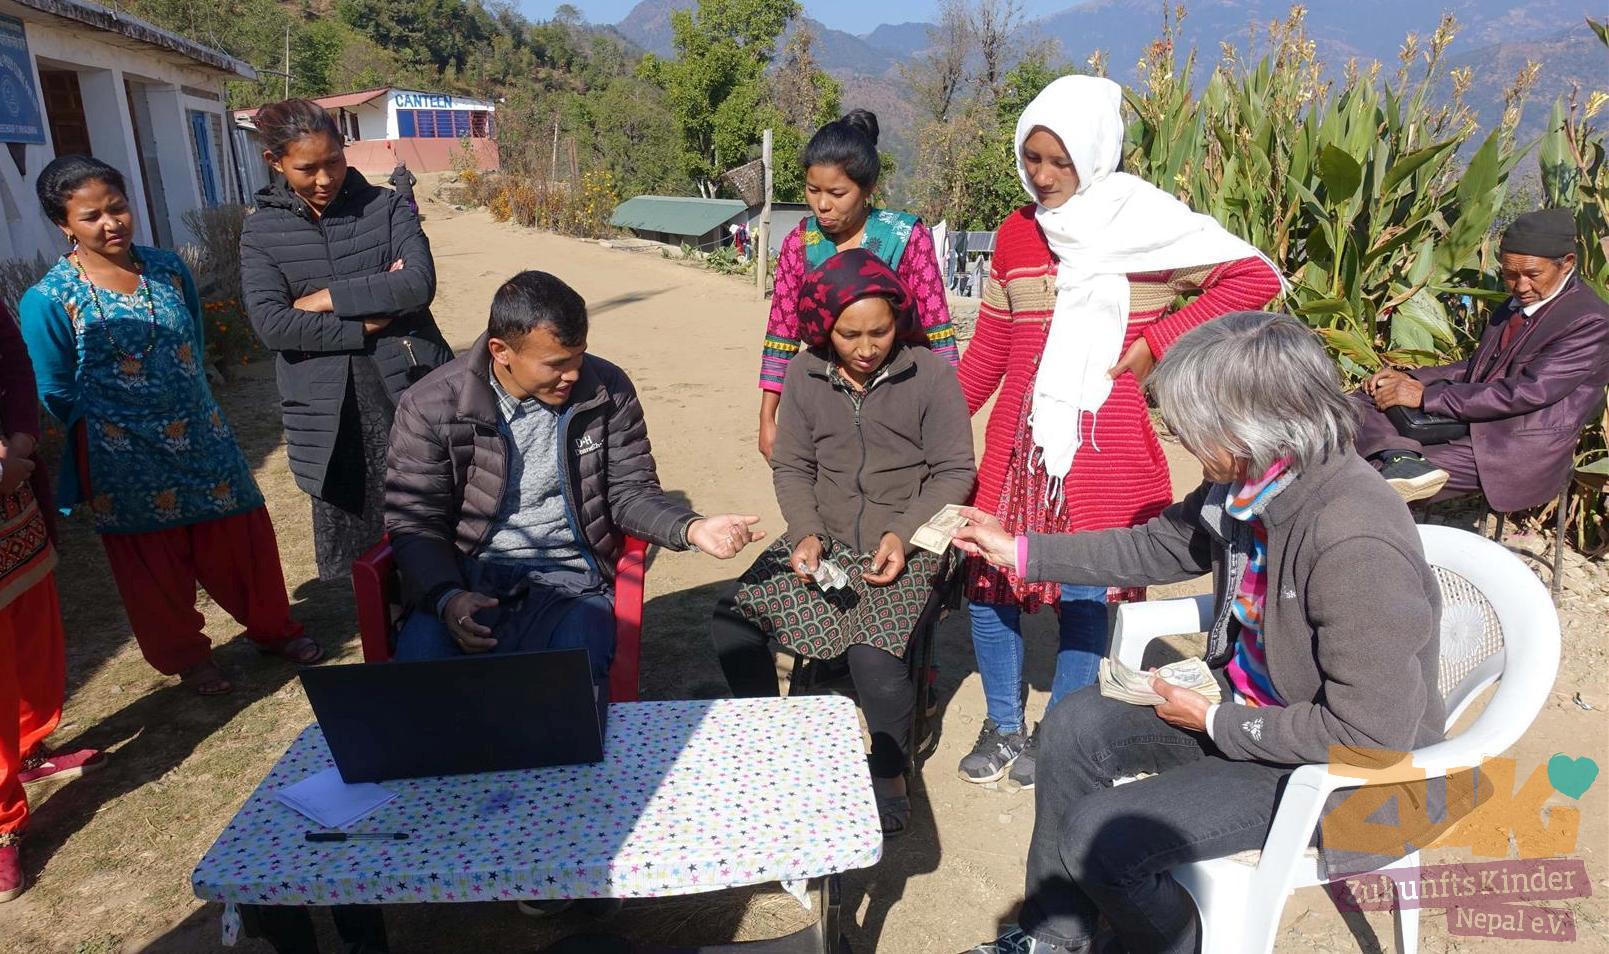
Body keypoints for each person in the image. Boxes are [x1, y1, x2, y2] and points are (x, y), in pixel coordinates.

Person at [953, 312, 1445, 954]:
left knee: (1102, 836)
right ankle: (1054, 937)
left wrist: (1215, 723)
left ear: (1248, 427)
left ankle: (1176, 939)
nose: (1179, 437)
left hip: (1330, 774)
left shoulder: (1353, 539)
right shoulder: (1250, 482)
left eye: (1192, 425)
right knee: (1074, 726)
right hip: (1250, 708)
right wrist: (1019, 552)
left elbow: (1370, 737)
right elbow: (1157, 546)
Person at [954, 75, 1284, 789]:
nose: (1041, 176)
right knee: (989, 586)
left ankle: (1060, 729)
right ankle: (1002, 724)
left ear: (1094, 155)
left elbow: (1253, 279)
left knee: (1085, 591)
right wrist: (936, 428)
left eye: (1058, 161)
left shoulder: (1146, 227)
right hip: (1017, 447)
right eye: (1031, 158)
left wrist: (1159, 341)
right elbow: (987, 350)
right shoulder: (1016, 233)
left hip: (1105, 449)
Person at [19, 156, 314, 695]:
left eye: (118, 207)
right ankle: (189, 658)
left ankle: (274, 629)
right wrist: (118, 427)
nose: (113, 224)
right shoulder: (48, 298)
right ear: (64, 225)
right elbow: (55, 388)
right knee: (151, 565)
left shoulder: (168, 269)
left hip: (203, 435)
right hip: (121, 456)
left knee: (240, 536)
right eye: (92, 217)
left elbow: (193, 345)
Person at [385, 269, 764, 681]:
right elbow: (415, 520)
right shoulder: (430, 406)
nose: (573, 374)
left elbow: (630, 491)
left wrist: (690, 528)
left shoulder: (607, 388)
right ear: (501, 350)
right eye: (556, 363)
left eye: (579, 355)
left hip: (571, 581)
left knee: (567, 690)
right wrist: (448, 598)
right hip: (467, 572)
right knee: (422, 680)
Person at [712, 249, 975, 837]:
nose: (866, 346)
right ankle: (768, 739)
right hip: (823, 533)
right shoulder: (804, 375)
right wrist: (804, 532)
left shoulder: (930, 375)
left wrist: (902, 533)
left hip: (911, 540)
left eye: (880, 331)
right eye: (849, 333)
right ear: (823, 328)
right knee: (732, 622)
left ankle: (889, 773)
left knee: (873, 657)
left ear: (898, 322)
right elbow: (792, 467)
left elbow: (955, 471)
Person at [240, 99, 453, 583]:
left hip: (409, 385)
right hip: (329, 411)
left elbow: (417, 285)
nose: (324, 179)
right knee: (367, 559)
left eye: (333, 161)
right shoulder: (261, 231)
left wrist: (322, 299)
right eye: (307, 168)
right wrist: (364, 323)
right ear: (275, 162)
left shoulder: (386, 206)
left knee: (438, 516)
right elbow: (273, 325)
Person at [1353, 208, 1609, 507]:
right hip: (1473, 424)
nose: (1521, 285)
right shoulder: (1516, 305)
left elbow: (1527, 392)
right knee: (1358, 404)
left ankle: (1395, 488)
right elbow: (1476, 368)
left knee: (1368, 480)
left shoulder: (1590, 321)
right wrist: (1410, 378)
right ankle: (1403, 457)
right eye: (1510, 275)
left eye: (1532, 275)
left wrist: (1425, 398)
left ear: (1567, 264)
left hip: (1510, 447)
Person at [757, 109, 959, 459]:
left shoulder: (906, 237)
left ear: (868, 189)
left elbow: (936, 331)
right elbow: (782, 333)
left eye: (837, 192)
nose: (822, 205)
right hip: (821, 397)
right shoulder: (799, 243)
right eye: (812, 189)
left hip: (900, 395)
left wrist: (951, 414)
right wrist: (767, 418)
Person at [0, 301, 104, 903]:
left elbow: (12, 363)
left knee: (34, 641)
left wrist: (18, 442)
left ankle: (27, 746)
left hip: (12, 503)